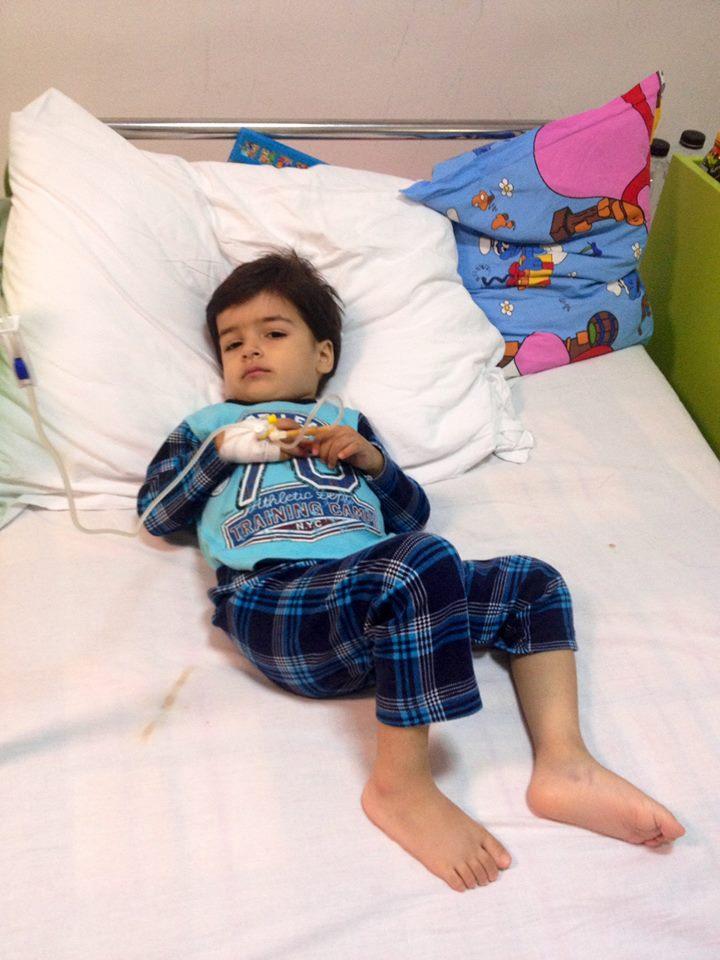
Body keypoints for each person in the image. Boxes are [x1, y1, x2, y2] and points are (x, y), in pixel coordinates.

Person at [137, 247, 685, 893]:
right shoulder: (206, 427)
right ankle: (400, 786)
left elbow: (410, 518)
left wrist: (373, 463)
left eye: (274, 333)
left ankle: (565, 764)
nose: (250, 350)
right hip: (276, 601)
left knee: (531, 581)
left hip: (382, 604)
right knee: (418, 567)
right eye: (233, 343)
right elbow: (158, 514)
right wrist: (223, 451)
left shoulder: (346, 424)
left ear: (323, 355)